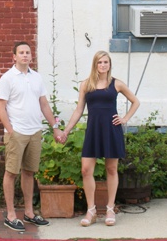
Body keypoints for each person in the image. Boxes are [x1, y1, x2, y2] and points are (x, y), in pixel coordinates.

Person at [60, 50, 140, 227]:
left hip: (112, 131)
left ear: (109, 65)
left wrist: (125, 119)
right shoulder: (86, 85)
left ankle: (110, 208)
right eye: (100, 62)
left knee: (111, 170)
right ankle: (91, 210)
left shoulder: (117, 84)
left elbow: (136, 101)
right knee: (86, 170)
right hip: (94, 131)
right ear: (95, 64)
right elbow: (79, 110)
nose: (103, 65)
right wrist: (66, 131)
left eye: (106, 62)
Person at [0, 41, 65, 232]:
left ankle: (29, 213)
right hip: (16, 132)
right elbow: (0, 107)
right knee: (11, 173)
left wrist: (55, 127)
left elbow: (44, 104)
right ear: (14, 56)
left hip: (35, 131)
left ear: (30, 56)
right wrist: (10, 130)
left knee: (29, 172)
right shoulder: (7, 78)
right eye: (21, 52)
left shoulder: (36, 78)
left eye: (28, 52)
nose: (25, 55)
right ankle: (11, 215)